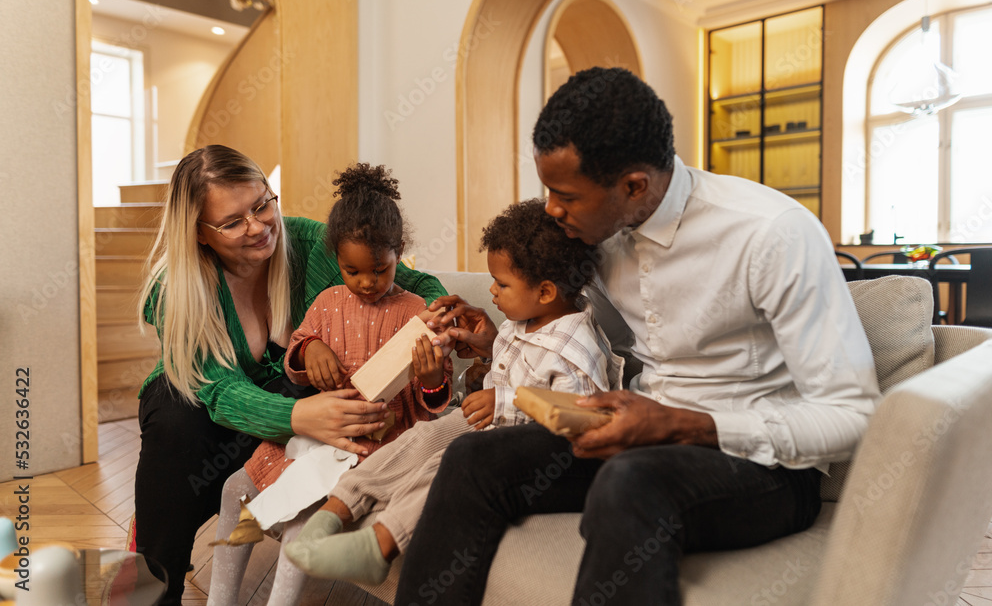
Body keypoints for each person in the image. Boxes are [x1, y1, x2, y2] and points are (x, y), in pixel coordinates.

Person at [394, 67, 881, 605]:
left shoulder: (771, 234)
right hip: (638, 440)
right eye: (548, 191)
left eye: (567, 195)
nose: (552, 210)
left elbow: (854, 417)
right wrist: (491, 340)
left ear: (634, 186)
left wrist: (680, 424)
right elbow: (560, 323)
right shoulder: (591, 237)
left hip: (762, 467)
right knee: (472, 459)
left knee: (630, 481)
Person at [132, 146, 446, 605]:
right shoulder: (174, 288)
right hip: (206, 409)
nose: (259, 227)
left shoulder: (305, 242)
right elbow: (219, 390)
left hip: (293, 402)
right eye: (233, 222)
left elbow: (416, 285)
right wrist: (300, 416)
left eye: (262, 204)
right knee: (178, 419)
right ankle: (156, 585)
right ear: (199, 233)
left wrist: (436, 325)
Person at [280, 198, 623, 585]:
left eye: (502, 284)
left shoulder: (576, 350)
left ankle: (378, 545)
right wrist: (490, 354)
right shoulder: (523, 319)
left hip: (522, 445)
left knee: (440, 466)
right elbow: (521, 368)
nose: (492, 291)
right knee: (422, 438)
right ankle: (335, 511)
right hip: (482, 422)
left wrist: (504, 401)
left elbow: (579, 417)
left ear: (545, 291)